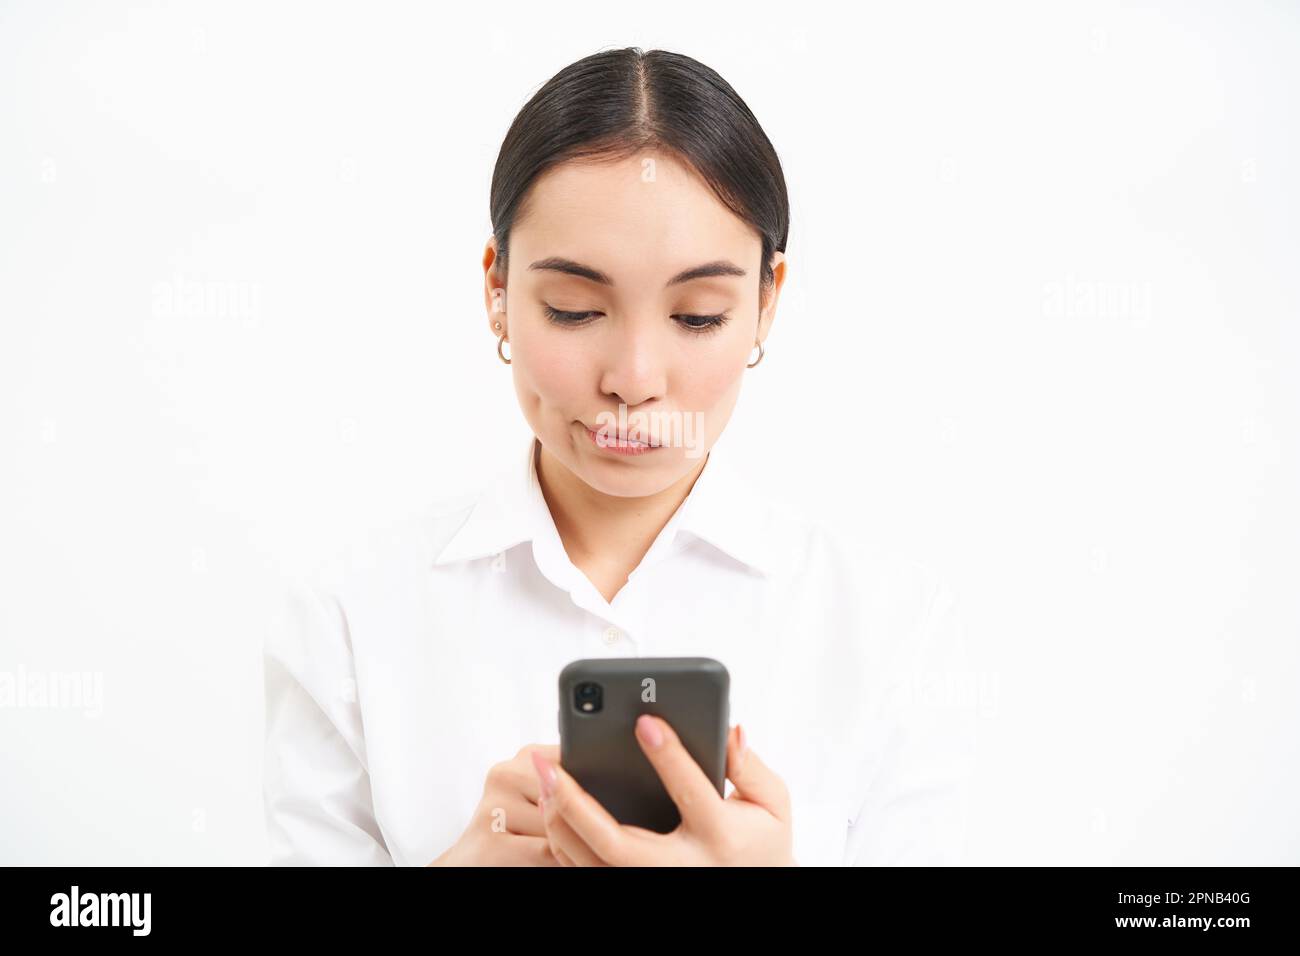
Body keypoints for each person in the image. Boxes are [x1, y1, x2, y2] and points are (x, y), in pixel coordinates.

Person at [262, 46, 976, 866]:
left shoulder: (890, 630)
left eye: (698, 316)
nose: (634, 381)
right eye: (573, 309)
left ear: (766, 303)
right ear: (496, 291)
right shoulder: (347, 622)